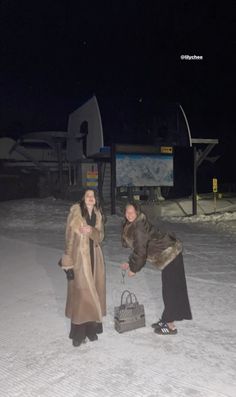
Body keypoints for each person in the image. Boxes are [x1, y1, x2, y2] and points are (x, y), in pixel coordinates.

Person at [121, 202, 192, 335]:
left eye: (132, 212)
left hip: (170, 254)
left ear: (137, 212)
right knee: (169, 289)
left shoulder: (139, 226)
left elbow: (141, 253)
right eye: (127, 212)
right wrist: (130, 263)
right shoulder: (133, 225)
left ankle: (170, 326)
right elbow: (138, 248)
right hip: (168, 255)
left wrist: (133, 269)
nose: (129, 214)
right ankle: (166, 319)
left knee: (170, 291)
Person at [59, 189, 106, 347]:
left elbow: (100, 237)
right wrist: (68, 262)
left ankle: (91, 330)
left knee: (94, 293)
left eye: (93, 196)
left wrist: (91, 231)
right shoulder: (76, 214)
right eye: (88, 195)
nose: (91, 198)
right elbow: (69, 239)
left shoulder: (98, 214)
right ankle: (78, 334)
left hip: (95, 259)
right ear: (83, 198)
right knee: (81, 296)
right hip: (79, 259)